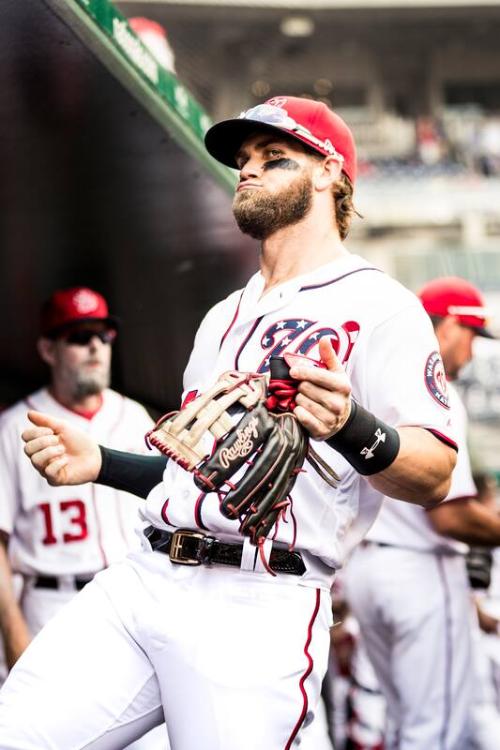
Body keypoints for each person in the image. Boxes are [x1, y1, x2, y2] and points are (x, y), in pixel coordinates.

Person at [0, 96, 457, 750]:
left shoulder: (380, 305)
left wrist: (351, 425)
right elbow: (200, 471)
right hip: (148, 574)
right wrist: (101, 462)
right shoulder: (223, 317)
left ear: (329, 172)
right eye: (243, 161)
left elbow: (436, 472)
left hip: (259, 596)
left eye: (274, 158)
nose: (248, 171)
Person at [0, 286, 166, 750]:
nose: (94, 345)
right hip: (51, 605)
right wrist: (14, 637)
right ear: (48, 349)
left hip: (131, 602)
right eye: (78, 335)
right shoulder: (15, 426)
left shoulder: (135, 418)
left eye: (103, 333)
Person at [344, 276, 500, 750]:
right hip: (420, 566)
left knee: (400, 722)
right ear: (449, 327)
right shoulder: (436, 392)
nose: (472, 352)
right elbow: (450, 517)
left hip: (365, 570)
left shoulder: (370, 382)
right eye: (471, 336)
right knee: (435, 730)